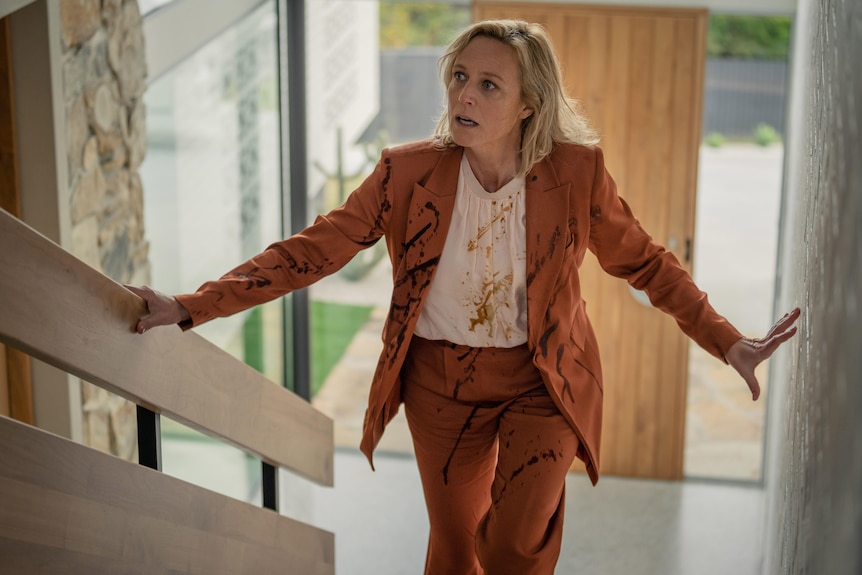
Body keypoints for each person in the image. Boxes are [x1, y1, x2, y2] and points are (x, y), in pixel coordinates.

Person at [128, 19, 799, 575]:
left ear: (527, 104)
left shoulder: (575, 174)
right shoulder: (407, 171)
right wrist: (192, 305)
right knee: (454, 550)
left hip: (541, 379)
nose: (465, 96)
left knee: (512, 544)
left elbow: (647, 262)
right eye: (458, 77)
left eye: (487, 84)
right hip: (439, 384)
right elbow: (313, 250)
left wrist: (725, 337)